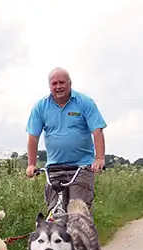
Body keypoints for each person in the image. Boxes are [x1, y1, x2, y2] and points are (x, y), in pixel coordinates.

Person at [25, 67, 106, 216]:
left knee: (78, 214)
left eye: (62, 82)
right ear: (49, 86)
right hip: (54, 168)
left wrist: (99, 158)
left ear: (70, 83)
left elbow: (97, 131)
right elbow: (33, 137)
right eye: (54, 83)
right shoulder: (40, 107)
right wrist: (31, 164)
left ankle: (80, 230)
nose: (58, 87)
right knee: (54, 214)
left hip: (80, 167)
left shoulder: (84, 102)